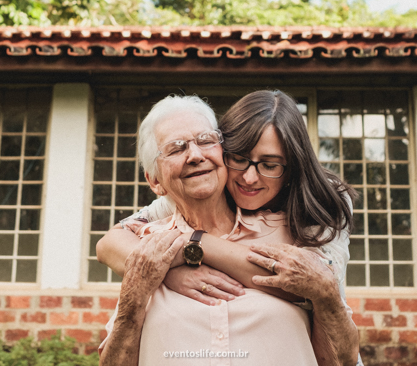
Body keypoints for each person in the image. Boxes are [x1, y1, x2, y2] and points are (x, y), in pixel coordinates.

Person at [99, 92, 360, 366]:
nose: (195, 155)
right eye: (176, 149)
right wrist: (161, 273)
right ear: (154, 182)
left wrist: (194, 245)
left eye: (205, 140)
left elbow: (326, 314)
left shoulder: (310, 217)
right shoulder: (151, 242)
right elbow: (108, 243)